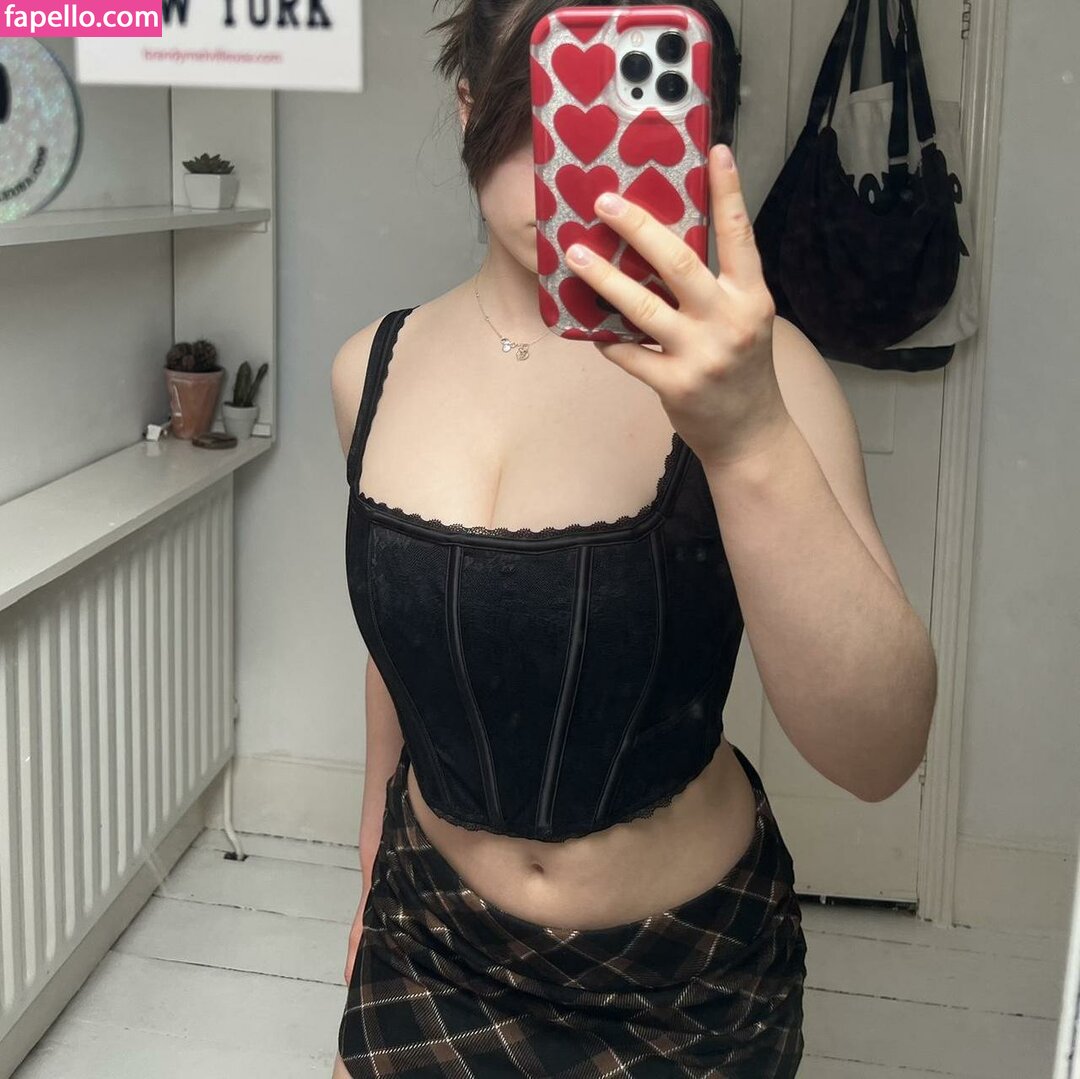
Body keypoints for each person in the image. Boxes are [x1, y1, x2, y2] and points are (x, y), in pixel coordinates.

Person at [330, 2, 937, 1076]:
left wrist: (747, 437)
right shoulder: (368, 367)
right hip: (424, 940)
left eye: (624, 112)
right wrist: (374, 873)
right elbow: (400, 648)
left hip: (684, 981)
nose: (578, 166)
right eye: (544, 108)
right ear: (469, 107)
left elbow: (880, 753)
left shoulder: (766, 379)